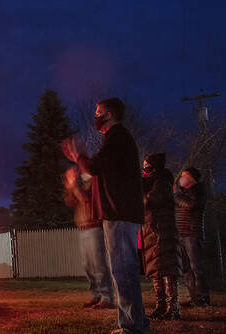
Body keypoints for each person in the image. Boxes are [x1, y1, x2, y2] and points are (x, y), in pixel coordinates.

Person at [66, 97, 150, 334]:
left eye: (99, 112)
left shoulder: (118, 138)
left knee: (123, 270)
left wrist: (78, 157)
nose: (96, 116)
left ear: (109, 115)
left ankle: (133, 326)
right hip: (118, 212)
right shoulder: (114, 139)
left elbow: (94, 167)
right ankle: (133, 323)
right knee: (122, 270)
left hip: (119, 213)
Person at [61, 163, 114, 310]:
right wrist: (69, 187)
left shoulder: (94, 183)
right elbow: (70, 201)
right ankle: (96, 295)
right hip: (83, 228)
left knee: (99, 265)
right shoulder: (82, 185)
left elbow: (86, 200)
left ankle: (106, 297)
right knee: (88, 266)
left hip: (95, 227)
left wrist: (73, 185)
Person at [141, 153, 182, 320]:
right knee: (156, 269)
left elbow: (152, 200)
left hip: (163, 231)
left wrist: (141, 193)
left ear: (155, 168)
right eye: (143, 167)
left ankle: (173, 308)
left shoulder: (162, 182)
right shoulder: (152, 183)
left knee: (167, 269)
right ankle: (161, 305)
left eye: (147, 167)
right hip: (152, 230)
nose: (144, 170)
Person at [174, 167, 210, 307]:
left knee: (197, 268)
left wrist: (176, 196)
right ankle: (194, 298)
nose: (181, 178)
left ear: (192, 179)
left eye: (185, 176)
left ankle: (204, 298)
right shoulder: (182, 193)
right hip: (181, 234)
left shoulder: (199, 191)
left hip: (192, 234)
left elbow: (191, 205)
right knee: (187, 269)